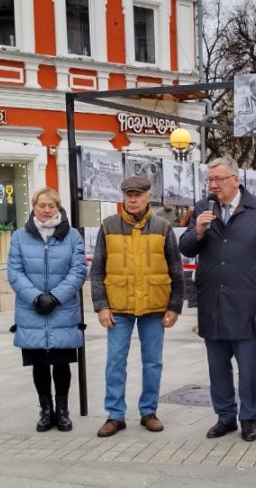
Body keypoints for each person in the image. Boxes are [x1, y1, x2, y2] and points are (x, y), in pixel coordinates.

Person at [179, 157, 256, 442]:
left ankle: (249, 417)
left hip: (249, 300)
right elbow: (186, 248)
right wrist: (198, 230)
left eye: (219, 179)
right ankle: (225, 416)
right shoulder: (203, 207)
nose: (213, 185)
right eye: (210, 180)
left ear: (235, 179)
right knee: (217, 365)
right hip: (213, 299)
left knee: (249, 366)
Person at [90, 175, 184, 437]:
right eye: (128, 195)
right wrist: (101, 305)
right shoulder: (108, 226)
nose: (132, 199)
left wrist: (174, 306)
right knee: (115, 362)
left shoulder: (163, 227)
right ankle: (114, 415)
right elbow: (96, 270)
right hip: (118, 306)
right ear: (123, 197)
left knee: (153, 362)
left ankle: (148, 412)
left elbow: (176, 270)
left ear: (147, 197)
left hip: (154, 306)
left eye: (137, 195)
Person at [7, 188, 87, 432]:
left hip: (62, 308)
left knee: (61, 363)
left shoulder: (72, 235)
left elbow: (78, 270)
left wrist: (54, 296)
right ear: (34, 207)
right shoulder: (20, 236)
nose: (46, 210)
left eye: (51, 206)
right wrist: (35, 297)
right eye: (42, 205)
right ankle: (46, 410)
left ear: (58, 207)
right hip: (32, 310)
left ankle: (62, 411)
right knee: (39, 363)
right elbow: (15, 271)